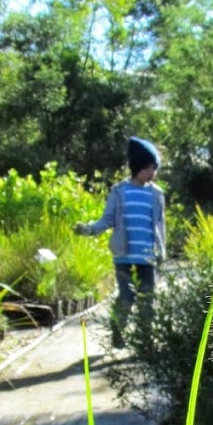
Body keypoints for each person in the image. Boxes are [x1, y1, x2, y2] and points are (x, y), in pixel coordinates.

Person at [74, 136, 166, 347]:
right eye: (148, 168)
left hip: (147, 257)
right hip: (124, 256)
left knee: (147, 301)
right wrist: (89, 229)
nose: (152, 173)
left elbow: (160, 225)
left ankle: (146, 339)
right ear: (137, 167)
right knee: (126, 297)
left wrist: (162, 250)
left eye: (154, 168)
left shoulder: (156, 194)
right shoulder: (119, 191)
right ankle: (118, 332)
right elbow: (107, 219)